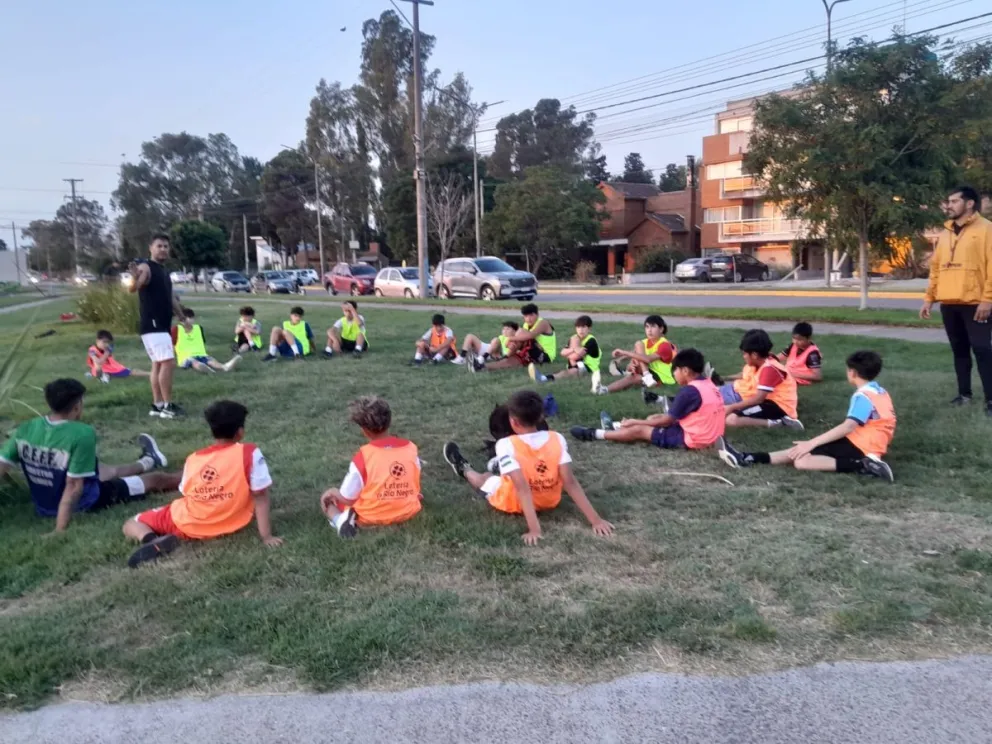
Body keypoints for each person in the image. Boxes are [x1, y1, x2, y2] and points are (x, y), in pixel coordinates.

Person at [0, 378, 177, 533]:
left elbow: (2, 466)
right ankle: (190, 476)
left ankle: (149, 459)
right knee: (156, 480)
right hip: (87, 500)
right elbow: (74, 486)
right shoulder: (81, 433)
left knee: (103, 469)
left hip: (44, 504)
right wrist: (60, 528)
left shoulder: (27, 428)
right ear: (77, 406)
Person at [442, 390, 614, 546]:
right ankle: (482, 472)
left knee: (484, 479)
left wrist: (535, 530)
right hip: (550, 500)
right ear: (541, 416)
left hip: (513, 502)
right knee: (494, 476)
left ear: (513, 421)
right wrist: (596, 521)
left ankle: (463, 468)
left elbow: (522, 488)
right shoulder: (557, 438)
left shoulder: (506, 444)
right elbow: (570, 483)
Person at [123, 400, 282, 567]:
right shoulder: (249, 452)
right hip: (232, 520)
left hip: (188, 524)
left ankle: (152, 539)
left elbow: (186, 491)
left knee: (131, 523)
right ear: (240, 432)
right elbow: (261, 496)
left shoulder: (194, 458)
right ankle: (157, 541)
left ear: (212, 430)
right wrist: (267, 537)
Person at [718, 350, 895, 482]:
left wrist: (813, 442)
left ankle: (865, 465)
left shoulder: (862, 396)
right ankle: (747, 458)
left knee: (802, 461)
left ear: (853, 373)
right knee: (801, 453)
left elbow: (848, 426)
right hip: (870, 441)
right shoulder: (880, 391)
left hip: (863, 444)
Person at [920, 186, 992, 414]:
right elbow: (937, 268)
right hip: (949, 304)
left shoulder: (987, 230)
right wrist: (929, 298)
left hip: (976, 303)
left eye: (953, 201)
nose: (948, 206)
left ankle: (991, 400)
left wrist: (987, 300)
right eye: (948, 202)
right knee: (959, 350)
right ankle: (964, 394)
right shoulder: (945, 233)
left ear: (969, 203)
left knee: (982, 350)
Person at [570, 348, 725, 451]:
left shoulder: (690, 391)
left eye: (675, 370)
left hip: (696, 439)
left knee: (640, 429)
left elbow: (667, 421)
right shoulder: (707, 384)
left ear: (685, 370)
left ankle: (594, 434)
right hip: (710, 434)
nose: (674, 374)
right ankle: (618, 426)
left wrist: (637, 422)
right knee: (653, 418)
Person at [319, 396, 422, 538]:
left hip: (371, 517)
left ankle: (340, 521)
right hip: (408, 510)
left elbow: (348, 498)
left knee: (330, 500)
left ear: (364, 431)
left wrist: (333, 492)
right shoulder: (410, 448)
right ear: (390, 421)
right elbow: (414, 478)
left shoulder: (363, 457)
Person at [128, 234, 186, 419]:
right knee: (168, 363)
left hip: (161, 324)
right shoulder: (146, 267)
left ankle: (157, 405)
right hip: (153, 324)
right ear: (150, 248)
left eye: (166, 246)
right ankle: (168, 407)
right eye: (159, 245)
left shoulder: (164, 271)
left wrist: (182, 317)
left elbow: (170, 298)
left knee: (157, 365)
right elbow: (134, 287)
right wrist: (135, 276)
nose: (163, 249)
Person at [720, 329, 803, 430]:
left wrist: (731, 407)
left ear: (754, 355)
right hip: (768, 403)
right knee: (725, 413)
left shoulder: (769, 369)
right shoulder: (765, 361)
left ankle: (781, 423)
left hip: (778, 407)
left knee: (731, 420)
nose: (744, 357)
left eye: (745, 353)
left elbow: (758, 399)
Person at [595, 315, 676, 397]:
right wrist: (629, 362)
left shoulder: (665, 345)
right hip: (647, 373)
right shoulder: (644, 342)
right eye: (647, 327)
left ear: (661, 329)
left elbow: (647, 359)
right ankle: (605, 389)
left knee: (633, 376)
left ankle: (646, 376)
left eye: (653, 327)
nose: (649, 330)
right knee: (638, 349)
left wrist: (624, 352)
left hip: (659, 378)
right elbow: (635, 353)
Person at [471, 304, 557, 372]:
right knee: (514, 361)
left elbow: (530, 336)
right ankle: (481, 366)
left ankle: (502, 356)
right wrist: (512, 343)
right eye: (526, 316)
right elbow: (521, 339)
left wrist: (510, 339)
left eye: (531, 315)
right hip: (532, 351)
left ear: (537, 314)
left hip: (545, 355)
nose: (529, 319)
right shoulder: (526, 325)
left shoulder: (543, 323)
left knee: (520, 334)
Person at [529, 315, 601, 384]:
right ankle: (544, 378)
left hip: (589, 368)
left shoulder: (591, 341)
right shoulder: (574, 338)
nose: (581, 330)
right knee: (565, 372)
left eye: (583, 327)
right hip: (576, 365)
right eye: (578, 327)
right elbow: (562, 352)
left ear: (589, 328)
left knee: (568, 372)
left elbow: (575, 357)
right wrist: (574, 349)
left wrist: (569, 353)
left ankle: (543, 379)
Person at [172, 308, 241, 373]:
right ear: (180, 320)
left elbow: (202, 342)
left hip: (201, 355)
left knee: (210, 360)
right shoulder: (176, 330)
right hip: (185, 357)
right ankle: (208, 370)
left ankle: (224, 367)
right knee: (194, 362)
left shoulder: (198, 328)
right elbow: (172, 345)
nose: (188, 320)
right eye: (185, 319)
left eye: (190, 318)